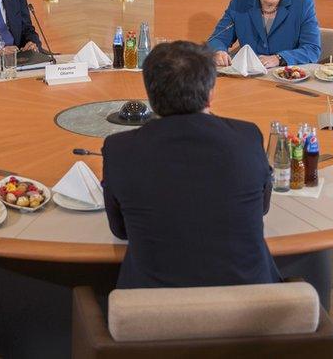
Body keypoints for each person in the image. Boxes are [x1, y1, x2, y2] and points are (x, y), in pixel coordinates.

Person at [102, 40, 281, 289]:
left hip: (151, 315)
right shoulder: (247, 137)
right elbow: (260, 208)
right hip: (252, 309)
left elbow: (121, 230)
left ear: (150, 95)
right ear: (211, 92)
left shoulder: (119, 149)